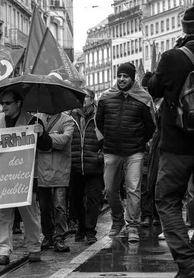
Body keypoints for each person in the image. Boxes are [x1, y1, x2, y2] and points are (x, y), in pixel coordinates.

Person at [146, 6, 194, 278]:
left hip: (178, 143)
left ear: (185, 28)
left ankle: (187, 264)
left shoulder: (173, 57)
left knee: (167, 199)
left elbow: (154, 88)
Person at [0, 89, 53, 266]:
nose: (4, 107)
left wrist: (41, 133)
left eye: (7, 103)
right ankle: (3, 250)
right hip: (3, 175)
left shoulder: (33, 121)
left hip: (26, 176)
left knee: (29, 214)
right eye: (2, 103)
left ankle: (34, 248)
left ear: (18, 103)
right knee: (3, 215)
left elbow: (46, 146)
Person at [97, 62, 155, 243]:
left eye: (126, 76)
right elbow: (99, 123)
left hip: (134, 152)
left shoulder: (143, 99)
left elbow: (150, 126)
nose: (122, 79)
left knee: (133, 189)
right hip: (112, 150)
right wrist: (109, 139)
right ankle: (117, 219)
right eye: (119, 76)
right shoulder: (106, 97)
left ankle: (132, 226)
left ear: (133, 78)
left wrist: (139, 142)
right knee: (109, 190)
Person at [69, 88, 104, 245]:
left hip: (94, 165)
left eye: (85, 97)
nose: (82, 100)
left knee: (93, 199)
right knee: (76, 200)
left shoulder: (99, 117)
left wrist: (100, 156)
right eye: (80, 97)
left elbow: (107, 139)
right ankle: (81, 227)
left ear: (92, 99)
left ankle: (90, 231)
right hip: (76, 165)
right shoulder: (70, 117)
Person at [36, 110, 74, 253]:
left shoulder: (67, 120)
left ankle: (60, 237)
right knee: (44, 207)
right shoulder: (37, 119)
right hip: (42, 170)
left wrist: (44, 136)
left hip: (60, 169)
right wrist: (51, 138)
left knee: (59, 206)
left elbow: (64, 140)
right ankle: (48, 235)